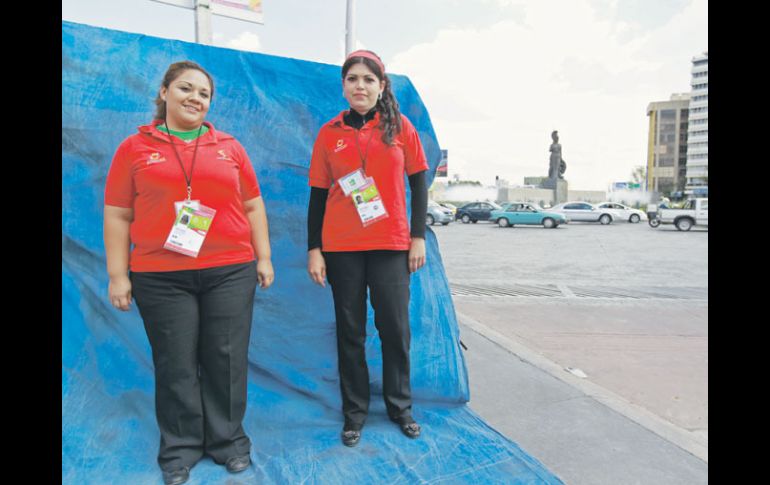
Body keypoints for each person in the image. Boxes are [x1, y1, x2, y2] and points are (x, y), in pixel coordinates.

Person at [103, 61, 274, 485]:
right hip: (160, 275)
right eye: (185, 88)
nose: (195, 98)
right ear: (163, 92)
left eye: (204, 93)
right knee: (176, 363)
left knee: (226, 359)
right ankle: (179, 447)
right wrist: (118, 274)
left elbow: (253, 206)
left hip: (230, 270)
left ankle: (228, 441)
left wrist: (264, 258)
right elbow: (118, 214)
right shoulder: (134, 148)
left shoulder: (229, 147)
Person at [306, 50, 429, 447]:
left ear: (381, 86)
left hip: (391, 244)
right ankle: (354, 412)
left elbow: (419, 185)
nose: (360, 86)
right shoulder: (329, 133)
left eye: (368, 80)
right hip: (342, 247)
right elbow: (318, 196)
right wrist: (314, 249)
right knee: (350, 331)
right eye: (352, 79)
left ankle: (400, 407)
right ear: (343, 86)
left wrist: (417, 236)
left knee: (394, 329)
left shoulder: (400, 127)